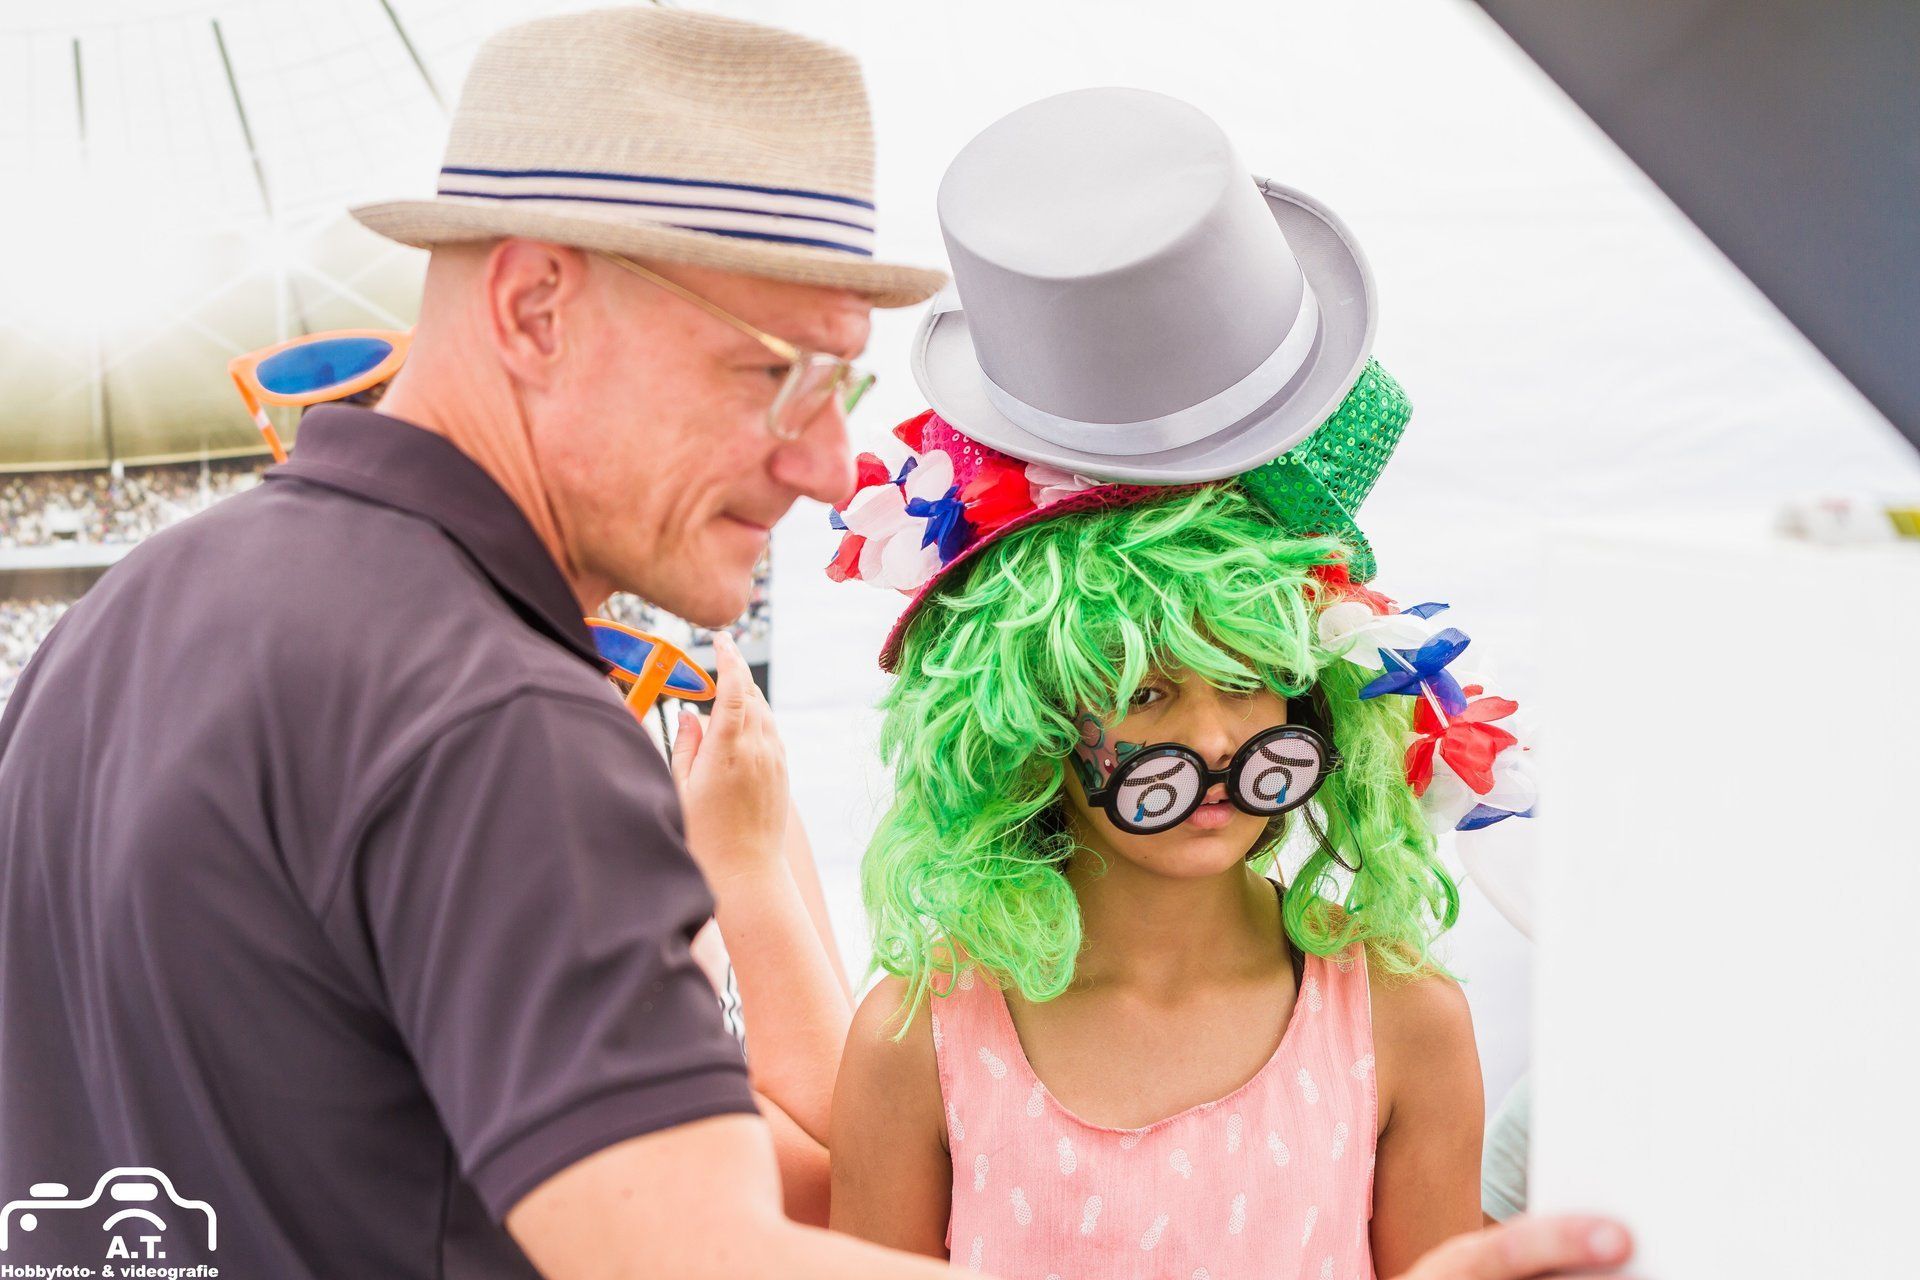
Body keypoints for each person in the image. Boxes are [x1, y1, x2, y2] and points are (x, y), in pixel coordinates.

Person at [0, 8, 1632, 1279]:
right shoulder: (490, 716)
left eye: (842, 387)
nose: (831, 464)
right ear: (536, 308)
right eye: (772, 371)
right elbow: (691, 1252)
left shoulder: (135, 621)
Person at [827, 90, 1536, 1279]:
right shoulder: (920, 1035)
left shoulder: (1404, 1018)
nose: (1215, 739)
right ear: (1023, 722)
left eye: (1250, 676)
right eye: (1146, 692)